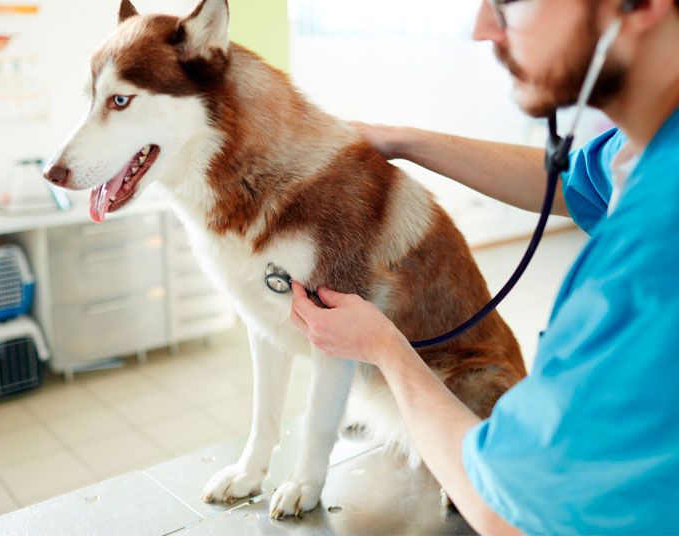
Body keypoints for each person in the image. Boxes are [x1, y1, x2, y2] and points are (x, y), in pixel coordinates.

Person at [289, 0, 679, 533]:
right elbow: (574, 183)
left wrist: (384, 348)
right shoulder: (650, 147)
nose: (482, 29)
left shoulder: (655, 247)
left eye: (508, 3)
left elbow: (506, 510)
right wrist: (404, 141)